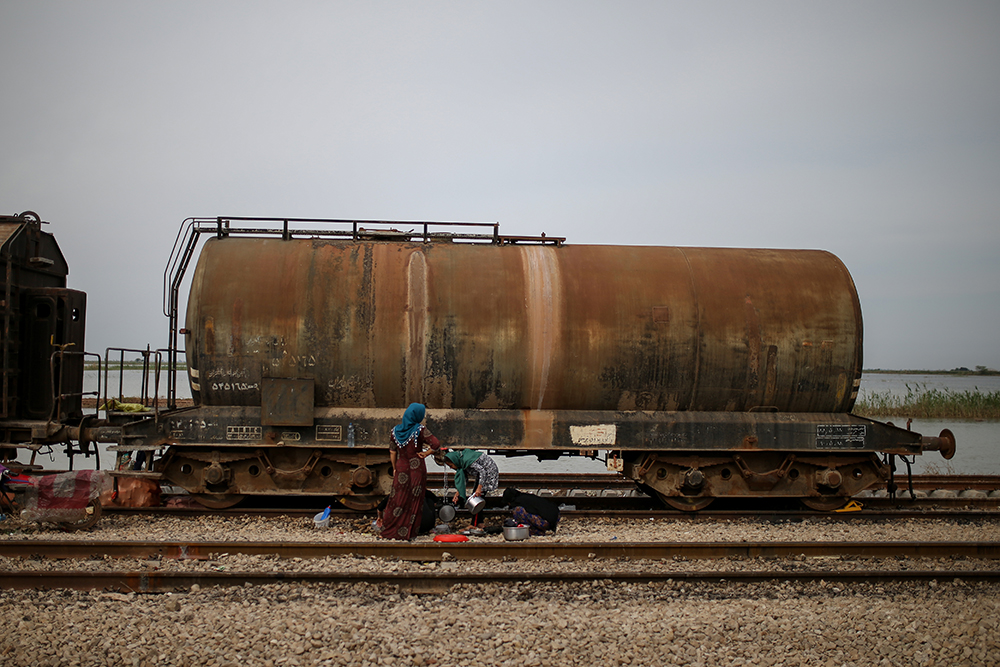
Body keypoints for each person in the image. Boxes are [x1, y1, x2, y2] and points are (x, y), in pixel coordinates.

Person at [379, 403, 441, 541]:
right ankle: (410, 532)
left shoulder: (395, 431)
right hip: (416, 469)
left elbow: (392, 452)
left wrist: (394, 468)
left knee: (397, 499)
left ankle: (390, 530)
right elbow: (436, 444)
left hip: (401, 467)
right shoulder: (420, 430)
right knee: (414, 500)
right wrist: (426, 453)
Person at [435, 449, 498, 528]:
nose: (451, 468)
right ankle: (479, 523)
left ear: (454, 461)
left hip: (488, 472)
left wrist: (479, 488)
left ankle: (473, 525)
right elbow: (464, 479)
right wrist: (458, 493)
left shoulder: (467, 460)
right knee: (477, 498)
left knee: (476, 499)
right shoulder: (461, 462)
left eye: (451, 465)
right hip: (482, 474)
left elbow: (482, 471)